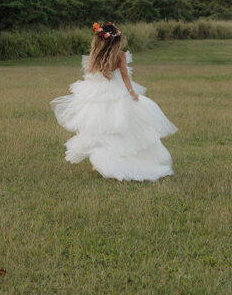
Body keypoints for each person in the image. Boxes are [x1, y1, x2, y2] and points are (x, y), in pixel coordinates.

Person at [51, 22, 177, 181]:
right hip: (116, 92)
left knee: (99, 127)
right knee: (119, 128)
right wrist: (132, 93)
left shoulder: (95, 52)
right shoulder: (120, 55)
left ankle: (101, 160)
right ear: (117, 39)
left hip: (96, 93)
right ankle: (114, 157)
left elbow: (90, 72)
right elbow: (125, 76)